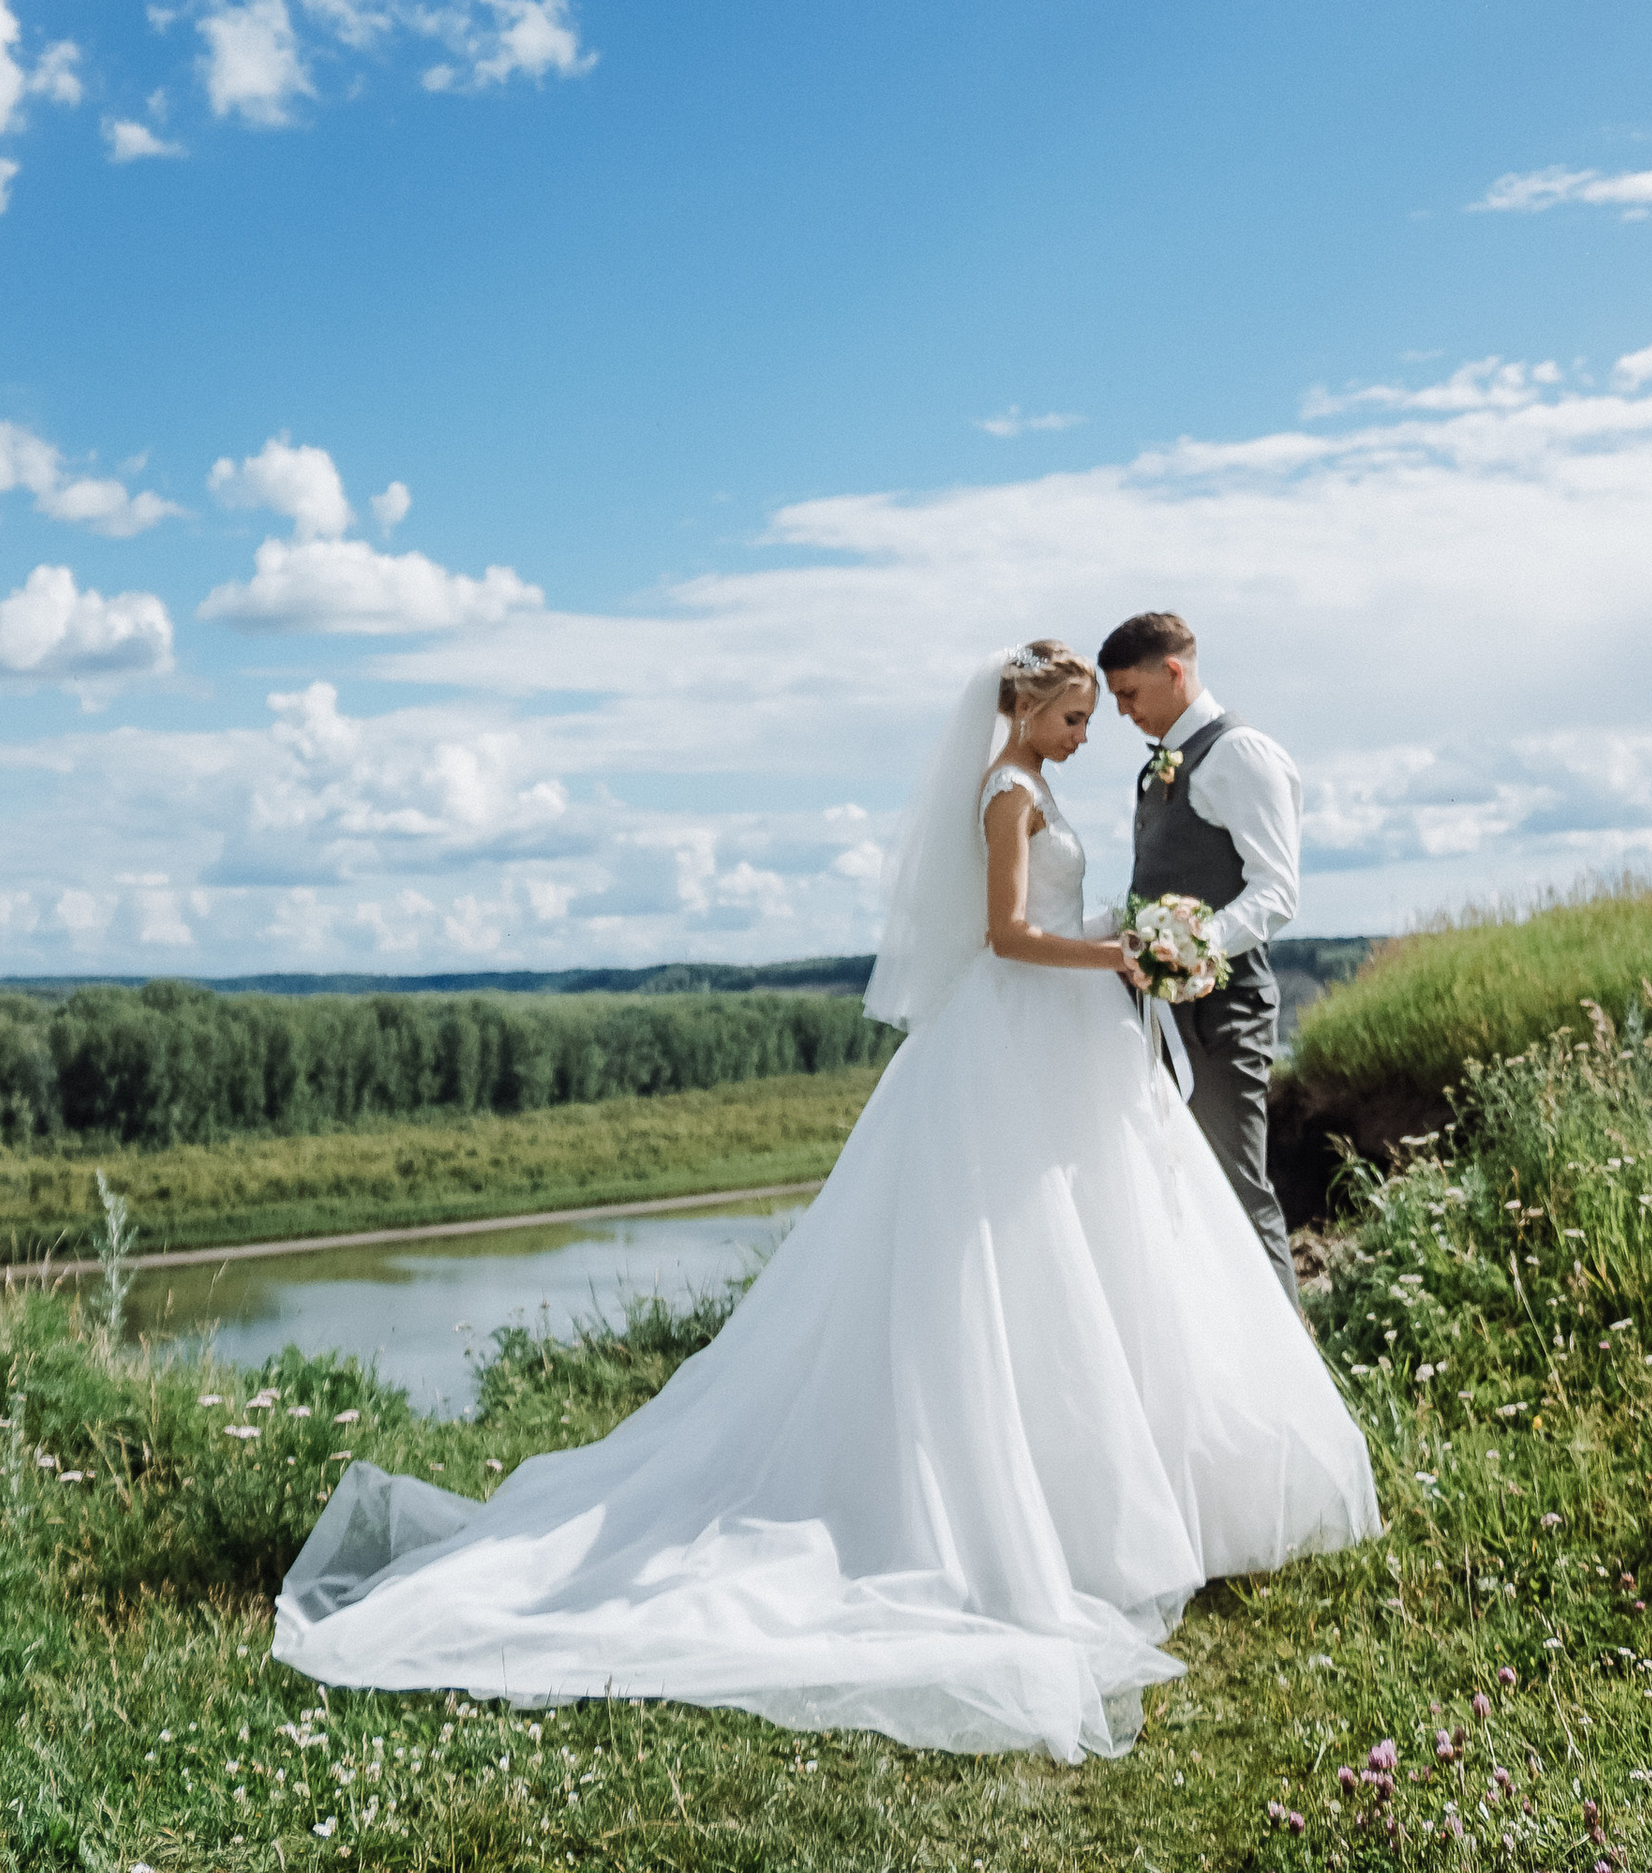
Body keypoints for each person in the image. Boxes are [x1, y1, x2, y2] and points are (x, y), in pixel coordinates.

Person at [270, 640, 1378, 1764]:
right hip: (1018, 1033)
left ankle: (1127, 1488)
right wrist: (1119, 960)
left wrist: (1120, 937)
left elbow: (1057, 912)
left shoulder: (1037, 784)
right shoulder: (1006, 791)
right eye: (1073, 718)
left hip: (1065, 1032)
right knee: (1009, 1259)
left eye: (1097, 718)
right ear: (1025, 707)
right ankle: (1027, 1504)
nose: (1086, 737)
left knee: (1101, 1247)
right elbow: (1003, 935)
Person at [1099, 609, 1301, 1304]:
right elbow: (1154, 893)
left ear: (1173, 671)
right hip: (1159, 1014)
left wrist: (1183, 951)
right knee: (1180, 1194)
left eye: (1129, 693)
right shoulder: (1162, 764)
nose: (1122, 712)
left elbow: (1277, 892)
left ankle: (1293, 1360)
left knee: (1238, 1192)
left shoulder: (1240, 755)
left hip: (1224, 1016)